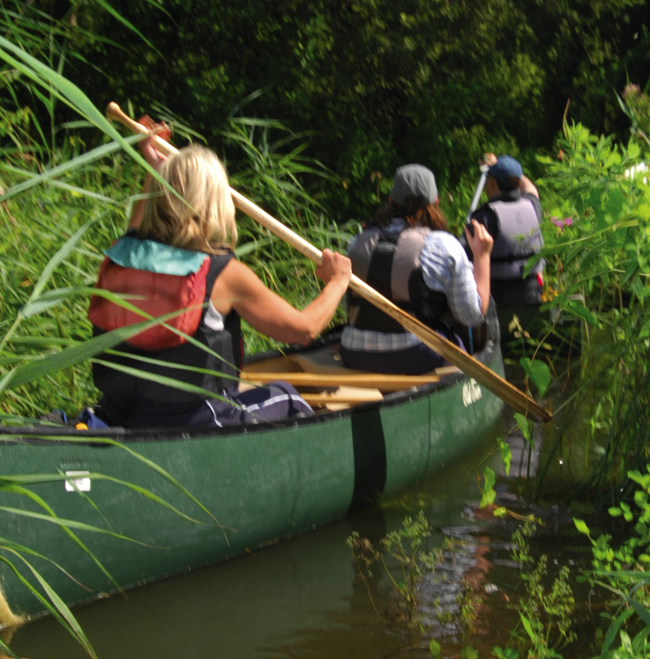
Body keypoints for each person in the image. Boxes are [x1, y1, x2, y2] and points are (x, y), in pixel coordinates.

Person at [88, 137, 351, 428]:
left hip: (117, 413)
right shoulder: (222, 273)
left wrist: (155, 170)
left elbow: (136, 227)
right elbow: (303, 330)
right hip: (195, 421)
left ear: (159, 198)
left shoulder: (124, 253)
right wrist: (338, 282)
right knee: (287, 397)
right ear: (214, 202)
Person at [340, 163, 493, 375]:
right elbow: (472, 316)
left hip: (354, 353)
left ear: (391, 200)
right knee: (458, 336)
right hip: (414, 355)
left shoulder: (357, 242)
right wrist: (482, 256)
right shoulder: (442, 245)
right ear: (436, 202)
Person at [466, 153, 544, 306]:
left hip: (497, 299)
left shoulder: (485, 217)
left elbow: (466, 257)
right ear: (519, 181)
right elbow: (529, 187)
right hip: (531, 295)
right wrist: (504, 168)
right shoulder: (533, 205)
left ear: (492, 182)